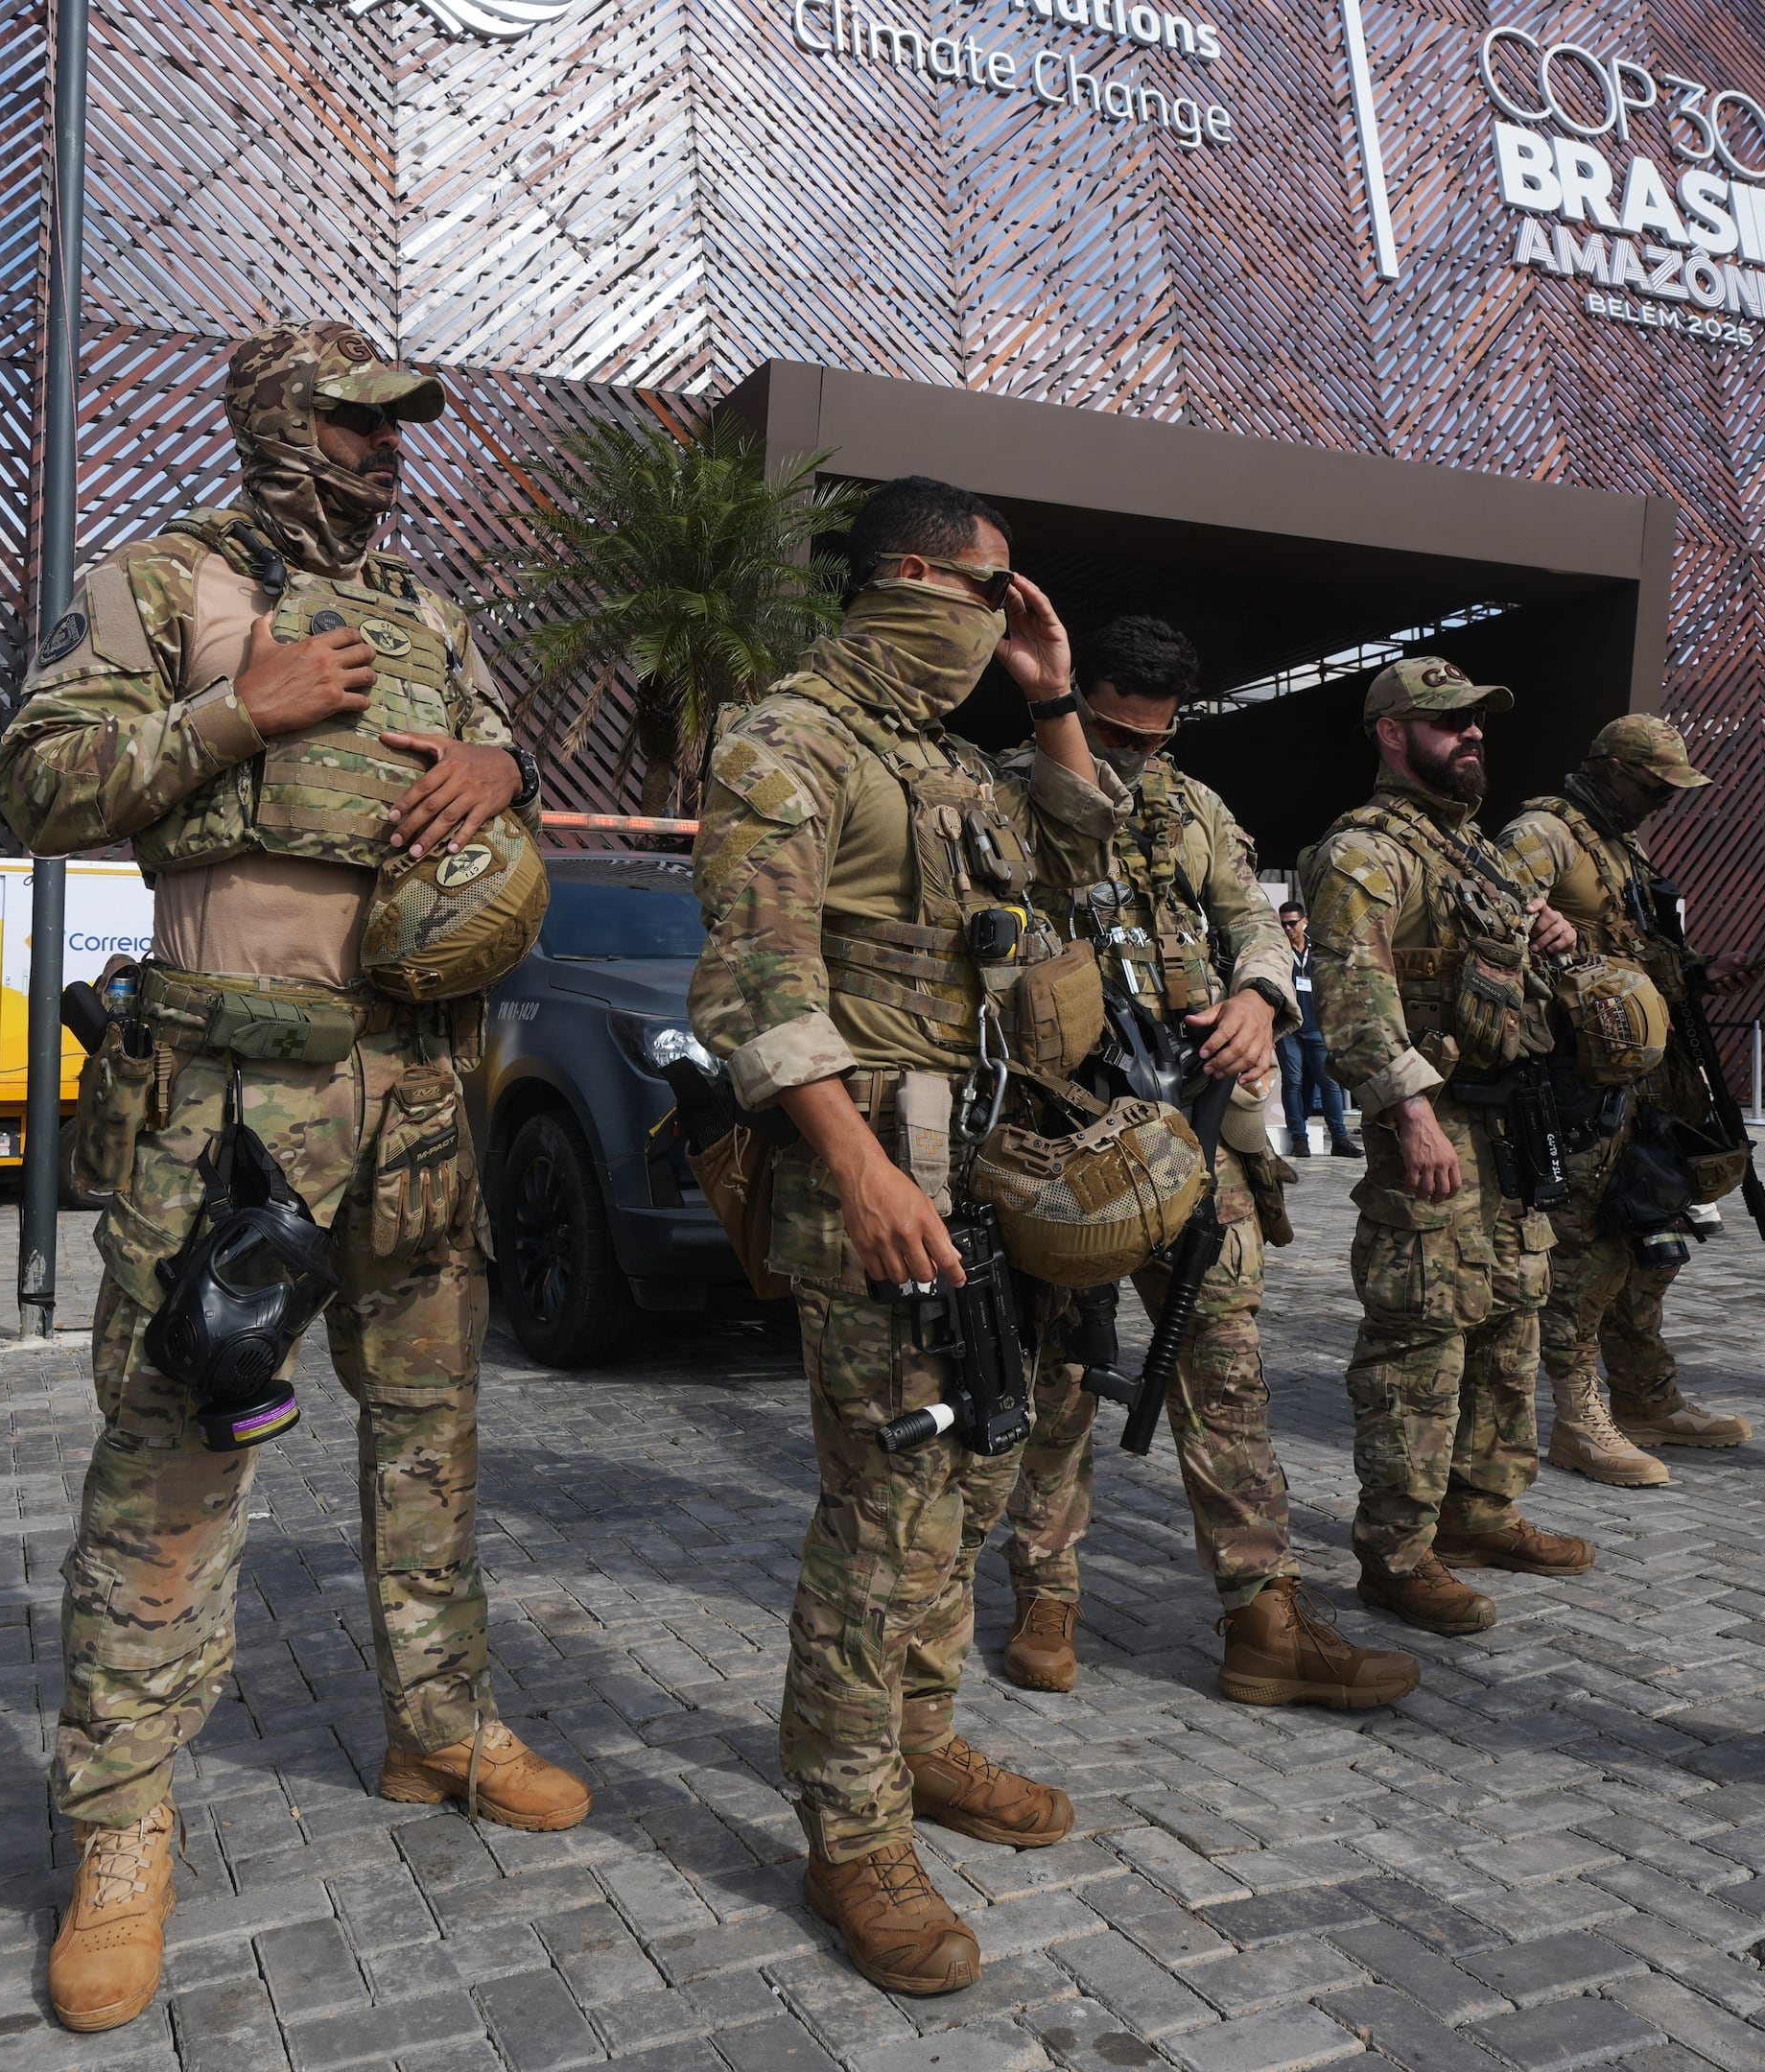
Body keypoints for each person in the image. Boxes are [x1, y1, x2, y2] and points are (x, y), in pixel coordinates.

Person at [0, 321, 584, 2036]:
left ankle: (443, 1721)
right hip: (235, 1102)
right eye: (352, 420)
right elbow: (41, 783)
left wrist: (504, 768)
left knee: (434, 1432)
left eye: (395, 427)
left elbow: (490, 770)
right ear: (272, 421)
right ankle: (120, 1829)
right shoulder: (162, 582)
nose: (382, 450)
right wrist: (236, 708)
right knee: (180, 1451)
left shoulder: (434, 617)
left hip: (419, 1090)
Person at [686, 476, 1118, 1996]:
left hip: (985, 1176)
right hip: (876, 1192)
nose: (1011, 618)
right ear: (922, 580)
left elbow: (1083, 870)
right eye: (999, 591)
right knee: (883, 1514)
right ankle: (851, 1827)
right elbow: (754, 984)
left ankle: (920, 1737)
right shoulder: (787, 741)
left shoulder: (949, 758)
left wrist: (1055, 701)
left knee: (977, 1476)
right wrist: (862, 1174)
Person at [983, 614, 1414, 1711]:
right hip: (1059, 1130)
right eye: (1115, 737)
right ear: (1079, 702)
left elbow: (1257, 920)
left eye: (1155, 742)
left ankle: (1263, 1620)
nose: (1135, 764)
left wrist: (1262, 999)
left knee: (1223, 1371)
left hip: (1193, 1124)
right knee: (1064, 1373)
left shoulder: (1195, 809)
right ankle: (1046, 1594)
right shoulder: (996, 792)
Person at [1299, 656, 1593, 1636]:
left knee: (1511, 1322)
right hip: (1438, 1128)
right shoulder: (1363, 852)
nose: (1471, 733)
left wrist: (1547, 933)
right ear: (1393, 734)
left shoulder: (1476, 853)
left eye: (1477, 719)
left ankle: (1479, 1509)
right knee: (1420, 1339)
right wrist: (1410, 1116)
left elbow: (1504, 968)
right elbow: (1354, 990)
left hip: (1510, 1129)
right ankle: (1397, 1552)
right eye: (1447, 720)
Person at [1494, 715, 1760, 1490]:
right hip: (1578, 1084)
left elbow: (1633, 952)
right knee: (1586, 1248)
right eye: (1653, 785)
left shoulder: (1621, 842)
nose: (1664, 802)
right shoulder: (1543, 833)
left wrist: (1699, 972)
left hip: (1645, 1073)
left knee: (1653, 1239)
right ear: (1610, 767)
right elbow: (1488, 925)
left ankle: (1647, 1396)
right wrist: (1539, 930)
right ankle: (1579, 1417)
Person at [1278, 904, 1355, 1155]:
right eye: (1284, 924)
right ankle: (1299, 1138)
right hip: (1289, 1028)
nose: (1288, 928)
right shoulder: (1277, 951)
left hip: (1318, 1028)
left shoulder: (1319, 950)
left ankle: (1339, 1139)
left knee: (1329, 1082)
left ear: (1305, 922)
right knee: (1293, 1082)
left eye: (1292, 923)